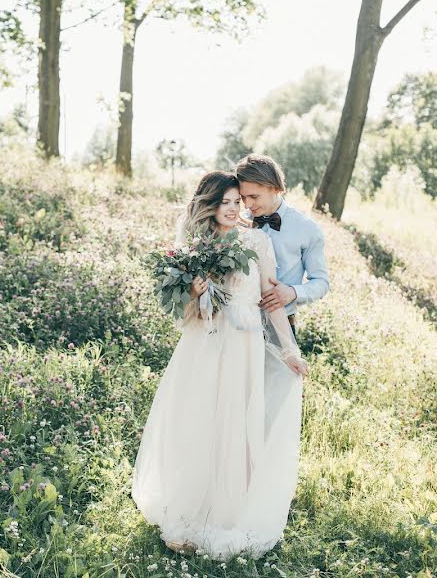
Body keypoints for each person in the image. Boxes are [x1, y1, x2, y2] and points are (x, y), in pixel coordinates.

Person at [131, 171, 308, 560]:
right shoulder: (197, 246)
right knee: (198, 419)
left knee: (236, 423)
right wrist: (194, 292)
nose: (232, 209)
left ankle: (229, 512)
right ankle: (189, 508)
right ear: (210, 206)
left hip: (243, 346)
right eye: (224, 202)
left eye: (236, 202)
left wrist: (290, 350)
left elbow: (270, 299)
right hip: (205, 344)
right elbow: (184, 312)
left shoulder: (256, 241)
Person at [235, 154, 329, 338]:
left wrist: (293, 292)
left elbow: (321, 282)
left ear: (275, 188)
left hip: (282, 328)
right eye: (243, 197)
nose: (248, 204)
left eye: (254, 196)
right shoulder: (237, 223)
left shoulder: (307, 228)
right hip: (237, 327)